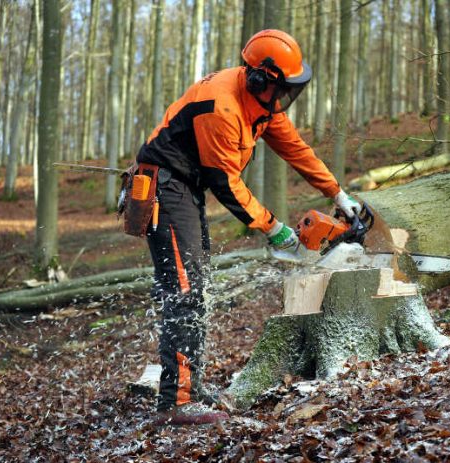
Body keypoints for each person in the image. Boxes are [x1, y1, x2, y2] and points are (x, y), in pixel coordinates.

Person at [135, 29, 361, 425]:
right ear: (260, 79)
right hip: (165, 188)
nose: (284, 100)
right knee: (185, 291)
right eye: (281, 89)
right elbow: (227, 185)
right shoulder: (221, 108)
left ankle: (191, 387)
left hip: (185, 189)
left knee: (197, 288)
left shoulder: (259, 104)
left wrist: (338, 194)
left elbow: (296, 149)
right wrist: (275, 229)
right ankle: (176, 404)